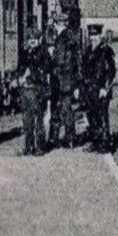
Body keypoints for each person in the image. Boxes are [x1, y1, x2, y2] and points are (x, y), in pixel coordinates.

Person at [48, 12, 82, 148]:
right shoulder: (67, 37)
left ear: (57, 23)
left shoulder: (64, 39)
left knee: (61, 110)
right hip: (63, 81)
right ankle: (65, 138)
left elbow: (66, 62)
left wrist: (52, 56)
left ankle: (60, 138)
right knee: (62, 110)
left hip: (63, 80)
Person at [83, 24, 118, 151]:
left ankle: (104, 143)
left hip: (101, 89)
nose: (93, 38)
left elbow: (111, 71)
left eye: (96, 36)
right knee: (91, 116)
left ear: (100, 36)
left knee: (102, 116)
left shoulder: (106, 50)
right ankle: (95, 141)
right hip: (89, 90)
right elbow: (83, 70)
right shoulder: (87, 51)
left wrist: (105, 87)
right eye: (91, 36)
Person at [16, 35, 50, 156]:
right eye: (30, 40)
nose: (32, 42)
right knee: (27, 119)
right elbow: (19, 68)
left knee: (38, 119)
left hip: (36, 90)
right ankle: (29, 146)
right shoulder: (25, 53)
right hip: (25, 90)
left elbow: (44, 70)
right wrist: (19, 78)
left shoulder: (43, 54)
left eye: (34, 40)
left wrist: (28, 77)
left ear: (39, 40)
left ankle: (39, 146)